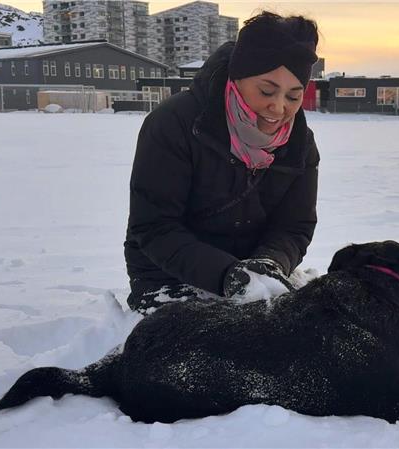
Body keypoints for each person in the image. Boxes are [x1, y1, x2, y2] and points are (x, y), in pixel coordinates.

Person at [124, 11, 321, 313]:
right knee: (209, 339)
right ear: (237, 78)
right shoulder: (175, 123)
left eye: (293, 97)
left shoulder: (300, 143)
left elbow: (294, 226)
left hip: (254, 273)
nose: (279, 107)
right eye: (267, 91)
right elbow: (155, 226)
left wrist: (269, 263)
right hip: (168, 275)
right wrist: (226, 275)